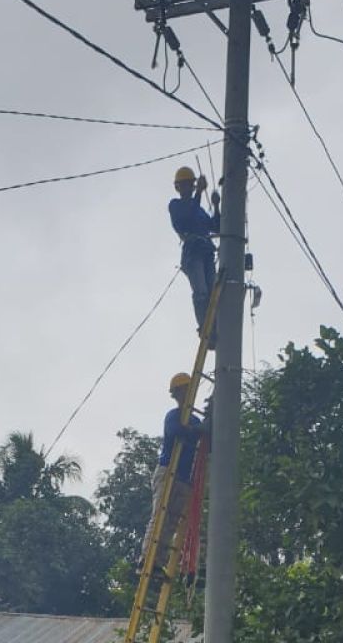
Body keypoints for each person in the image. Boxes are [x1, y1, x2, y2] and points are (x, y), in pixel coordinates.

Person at [139, 372, 207, 574]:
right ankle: (146, 558)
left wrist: (204, 428)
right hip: (168, 471)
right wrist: (198, 431)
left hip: (184, 477)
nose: (182, 394)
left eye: (184, 390)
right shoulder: (174, 416)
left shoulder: (194, 419)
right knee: (160, 515)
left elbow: (206, 441)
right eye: (180, 391)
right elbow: (176, 431)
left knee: (172, 521)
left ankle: (158, 562)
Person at [169, 166, 220, 348]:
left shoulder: (200, 211)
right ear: (178, 188)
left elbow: (216, 226)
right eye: (184, 185)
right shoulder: (175, 205)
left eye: (190, 185)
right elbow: (185, 219)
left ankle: (215, 328)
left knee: (213, 293)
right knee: (201, 293)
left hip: (206, 251)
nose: (188, 188)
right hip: (193, 254)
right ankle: (205, 330)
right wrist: (199, 193)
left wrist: (216, 205)